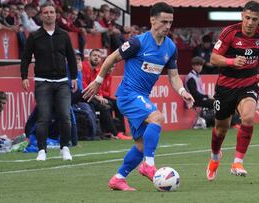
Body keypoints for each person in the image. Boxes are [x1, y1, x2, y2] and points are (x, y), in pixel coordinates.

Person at [83, 2, 194, 191]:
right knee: (157, 117)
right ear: (152, 20)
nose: (168, 26)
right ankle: (148, 165)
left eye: (170, 22)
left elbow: (173, 76)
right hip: (128, 95)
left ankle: (118, 178)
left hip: (141, 96)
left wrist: (183, 92)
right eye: (164, 21)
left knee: (141, 145)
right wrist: (98, 81)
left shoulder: (170, 47)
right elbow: (111, 58)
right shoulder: (138, 42)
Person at [206, 1, 259, 181]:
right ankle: (215, 157)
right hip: (225, 88)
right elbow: (213, 58)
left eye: (254, 19)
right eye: (247, 18)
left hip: (248, 85)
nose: (250, 22)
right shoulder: (230, 33)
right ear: (242, 16)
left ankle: (238, 162)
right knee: (221, 130)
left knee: (248, 118)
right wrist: (232, 61)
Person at [20, 1, 77, 161]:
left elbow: (71, 57)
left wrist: (74, 77)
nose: (49, 15)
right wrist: (24, 76)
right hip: (42, 82)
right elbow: (25, 58)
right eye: (45, 12)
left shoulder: (64, 35)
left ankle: (65, 148)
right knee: (43, 117)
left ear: (56, 14)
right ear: (41, 15)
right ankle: (41, 150)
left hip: (62, 82)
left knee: (65, 116)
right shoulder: (34, 36)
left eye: (51, 12)